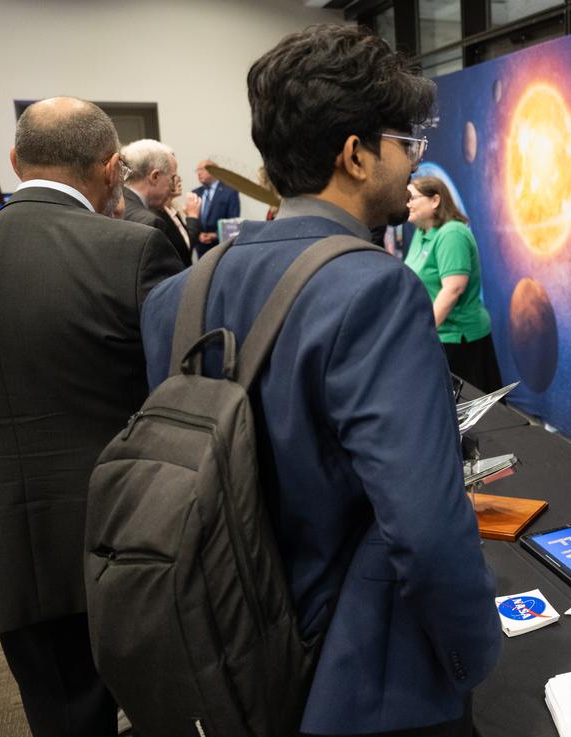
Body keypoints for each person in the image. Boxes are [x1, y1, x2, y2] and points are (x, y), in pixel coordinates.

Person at [139, 24, 500, 737]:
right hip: (360, 676)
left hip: (221, 656)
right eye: (405, 143)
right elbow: (426, 530)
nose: (413, 162)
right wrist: (471, 654)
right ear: (355, 155)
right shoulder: (376, 290)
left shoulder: (172, 298)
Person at [0, 96, 182, 737]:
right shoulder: (132, 250)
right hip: (122, 539)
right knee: (165, 708)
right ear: (113, 169)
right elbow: (180, 396)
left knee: (58, 714)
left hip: (3, 542)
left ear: (14, 161)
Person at [404, 175, 503, 392]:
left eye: (413, 198)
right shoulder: (422, 231)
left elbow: (453, 289)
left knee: (471, 408)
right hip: (437, 336)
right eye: (406, 198)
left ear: (435, 200)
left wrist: (422, 331)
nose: (407, 204)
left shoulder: (452, 233)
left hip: (459, 339)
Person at [122, 138, 190, 266]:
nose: (172, 186)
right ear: (155, 176)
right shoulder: (150, 222)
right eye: (172, 178)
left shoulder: (116, 205)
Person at [193, 158, 241, 255]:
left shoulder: (230, 192)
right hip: (201, 247)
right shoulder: (195, 193)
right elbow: (192, 218)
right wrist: (198, 234)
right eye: (197, 170)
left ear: (214, 171)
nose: (199, 173)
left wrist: (216, 235)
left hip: (221, 246)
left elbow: (233, 220)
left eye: (202, 169)